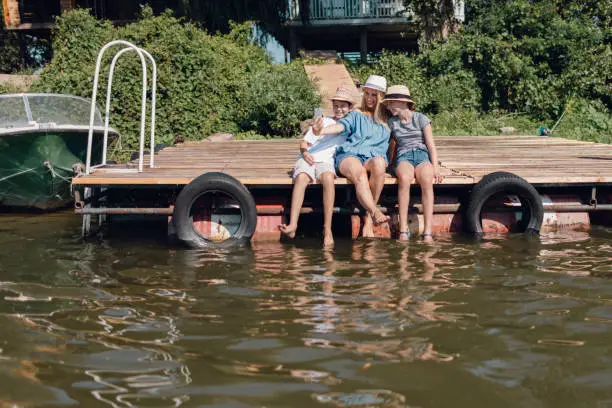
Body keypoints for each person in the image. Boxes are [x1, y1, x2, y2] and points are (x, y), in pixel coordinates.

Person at [313, 75, 391, 237]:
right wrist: (321, 131)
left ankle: (368, 219)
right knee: (360, 173)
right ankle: (374, 212)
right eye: (367, 93)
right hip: (350, 154)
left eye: (374, 95)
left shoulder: (388, 119)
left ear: (381, 97)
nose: (369, 98)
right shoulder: (356, 113)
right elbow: (341, 126)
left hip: (373, 157)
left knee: (379, 164)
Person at [279, 87, 355, 247]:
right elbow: (304, 142)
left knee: (328, 178)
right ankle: (293, 224)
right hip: (310, 156)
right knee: (301, 178)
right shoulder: (324, 121)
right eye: (336, 106)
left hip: (327, 160)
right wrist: (305, 152)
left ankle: (327, 229)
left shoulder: (350, 124)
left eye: (343, 106)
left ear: (349, 108)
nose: (339, 109)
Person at [383, 85, 443, 242]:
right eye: (388, 103)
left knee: (426, 179)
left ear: (403, 102)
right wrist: (387, 163)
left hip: (422, 155)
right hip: (404, 156)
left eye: (391, 103)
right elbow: (387, 145)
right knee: (404, 178)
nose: (388, 107)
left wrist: (436, 167)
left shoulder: (421, 119)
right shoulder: (392, 122)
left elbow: (431, 145)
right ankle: (403, 229)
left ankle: (427, 232)